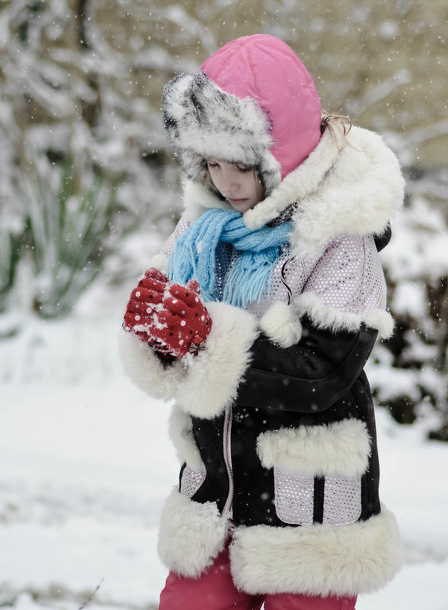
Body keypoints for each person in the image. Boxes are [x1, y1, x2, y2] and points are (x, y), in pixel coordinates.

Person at [120, 34, 405, 610]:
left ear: (285, 154)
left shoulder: (338, 239)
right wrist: (157, 339)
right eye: (212, 163)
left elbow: (321, 371)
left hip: (308, 503)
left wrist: (209, 340)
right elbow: (170, 335)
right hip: (217, 491)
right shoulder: (205, 227)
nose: (225, 183)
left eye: (241, 166)